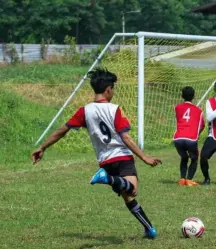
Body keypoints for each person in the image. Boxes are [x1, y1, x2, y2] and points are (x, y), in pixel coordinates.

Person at [31, 68, 162, 239]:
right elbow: (126, 137)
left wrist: (43, 147)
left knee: (127, 196)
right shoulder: (114, 109)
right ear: (108, 89)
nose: (113, 92)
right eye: (113, 88)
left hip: (105, 161)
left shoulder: (84, 111)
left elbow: (61, 131)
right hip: (122, 156)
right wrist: (144, 157)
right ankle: (108, 179)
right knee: (133, 190)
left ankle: (149, 229)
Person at [173, 86, 205, 186]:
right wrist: (197, 134)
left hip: (178, 138)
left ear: (182, 96)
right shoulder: (199, 110)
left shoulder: (177, 108)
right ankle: (189, 180)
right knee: (194, 158)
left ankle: (182, 179)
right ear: (194, 96)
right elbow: (202, 125)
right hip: (191, 138)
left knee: (184, 157)